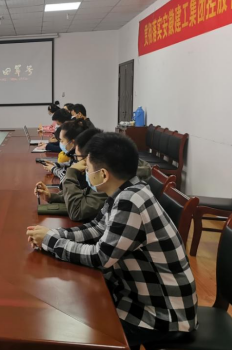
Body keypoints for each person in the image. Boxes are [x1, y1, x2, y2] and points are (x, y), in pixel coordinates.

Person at [27, 133, 198, 350]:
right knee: (87, 307)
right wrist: (54, 235)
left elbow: (100, 257)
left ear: (103, 175)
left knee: (81, 330)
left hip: (164, 314)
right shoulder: (127, 190)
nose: (86, 174)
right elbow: (96, 228)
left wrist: (51, 241)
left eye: (88, 169)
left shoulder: (130, 201)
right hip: (143, 298)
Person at [37, 128, 153, 221]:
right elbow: (98, 227)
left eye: (78, 158)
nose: (77, 163)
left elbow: (77, 212)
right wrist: (52, 197)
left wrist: (71, 173)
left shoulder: (116, 186)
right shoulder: (114, 177)